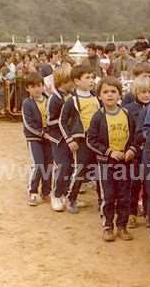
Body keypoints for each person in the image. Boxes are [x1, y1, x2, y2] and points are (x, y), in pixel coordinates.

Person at [87, 77, 139, 241]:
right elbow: (91, 140)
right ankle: (108, 226)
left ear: (119, 95)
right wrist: (109, 152)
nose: (109, 95)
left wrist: (132, 149)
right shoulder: (98, 117)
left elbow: (135, 135)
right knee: (108, 196)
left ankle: (122, 226)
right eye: (105, 92)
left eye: (113, 92)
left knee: (125, 196)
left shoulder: (127, 114)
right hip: (106, 164)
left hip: (124, 163)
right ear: (99, 96)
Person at [59, 65, 100, 213]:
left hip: (96, 140)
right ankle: (70, 198)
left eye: (92, 77)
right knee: (79, 170)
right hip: (81, 141)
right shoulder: (72, 100)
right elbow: (62, 121)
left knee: (99, 170)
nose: (91, 81)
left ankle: (102, 200)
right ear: (77, 81)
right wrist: (69, 139)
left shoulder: (96, 97)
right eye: (87, 78)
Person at [124, 76, 150, 228]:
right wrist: (131, 148)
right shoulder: (129, 109)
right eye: (143, 92)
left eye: (149, 91)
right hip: (134, 152)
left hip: (149, 152)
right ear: (135, 92)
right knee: (133, 183)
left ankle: (149, 213)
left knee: (149, 183)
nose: (146, 95)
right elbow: (128, 132)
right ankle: (131, 213)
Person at [21, 72, 52, 206]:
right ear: (27, 88)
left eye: (39, 86)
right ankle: (32, 191)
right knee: (38, 164)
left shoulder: (49, 99)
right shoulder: (27, 103)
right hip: (34, 137)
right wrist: (41, 133)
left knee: (49, 164)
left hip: (49, 138)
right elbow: (28, 124)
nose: (37, 89)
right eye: (33, 87)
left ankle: (46, 191)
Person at [47, 66, 75, 212]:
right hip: (58, 138)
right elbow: (49, 121)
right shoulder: (54, 98)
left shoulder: (72, 96)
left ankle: (66, 193)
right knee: (62, 165)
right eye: (71, 80)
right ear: (64, 81)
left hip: (70, 136)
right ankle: (56, 194)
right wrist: (64, 120)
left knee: (70, 166)